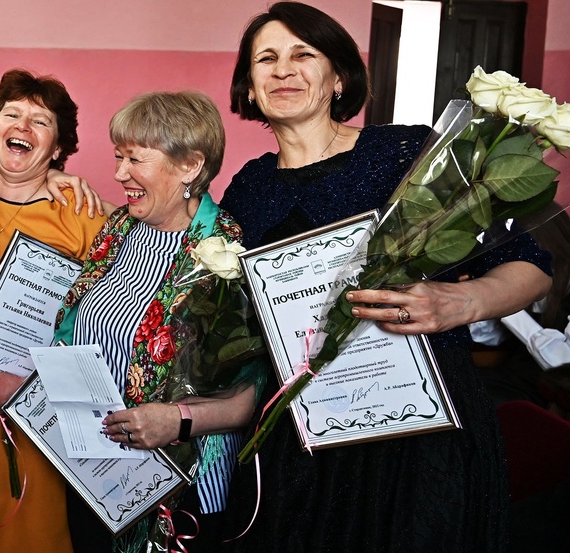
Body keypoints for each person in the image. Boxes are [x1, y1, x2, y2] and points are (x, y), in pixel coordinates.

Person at [217, 3, 552, 551]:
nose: (283, 70)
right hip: (304, 442)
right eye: (266, 59)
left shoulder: (404, 152)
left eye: (304, 54)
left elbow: (531, 267)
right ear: (249, 88)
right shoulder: (248, 189)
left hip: (420, 438)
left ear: (339, 78)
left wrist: (460, 302)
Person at [50, 91, 261, 552]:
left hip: (180, 489)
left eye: (135, 159)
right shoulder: (118, 229)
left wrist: (177, 421)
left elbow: (249, 395)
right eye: (118, 156)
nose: (119, 173)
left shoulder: (225, 255)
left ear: (190, 166)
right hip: (94, 475)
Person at [0, 69, 110, 553]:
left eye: (41, 121)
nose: (23, 127)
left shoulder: (84, 211)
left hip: (39, 403)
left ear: (58, 149)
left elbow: (108, 317)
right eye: (12, 115)